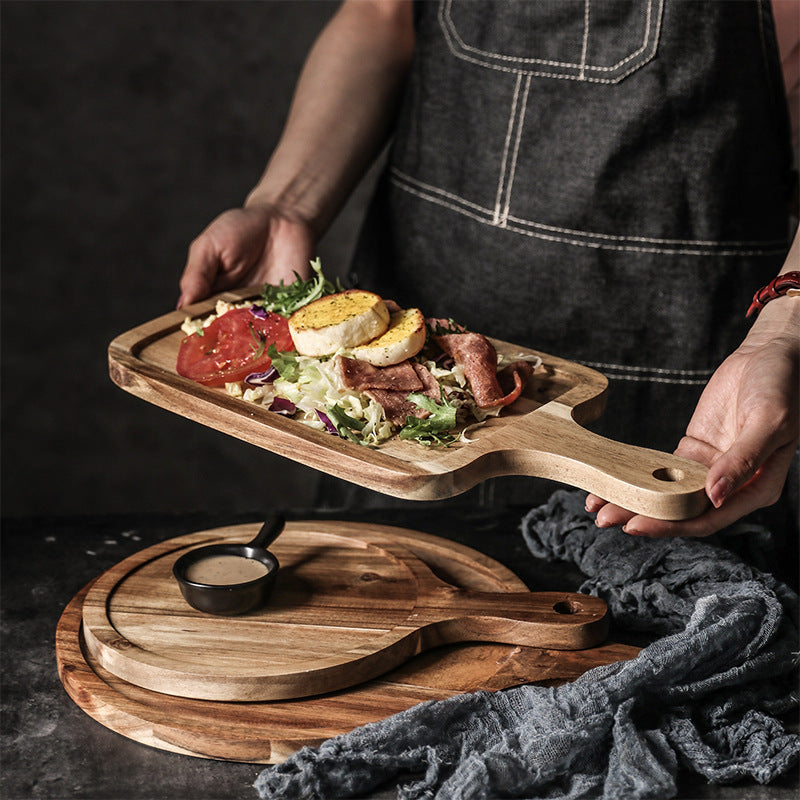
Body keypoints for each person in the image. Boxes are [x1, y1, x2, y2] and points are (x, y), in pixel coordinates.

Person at [177, 0, 799, 539]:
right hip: (406, 385)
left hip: (683, 387)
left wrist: (788, 327)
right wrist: (286, 205)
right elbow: (380, 16)